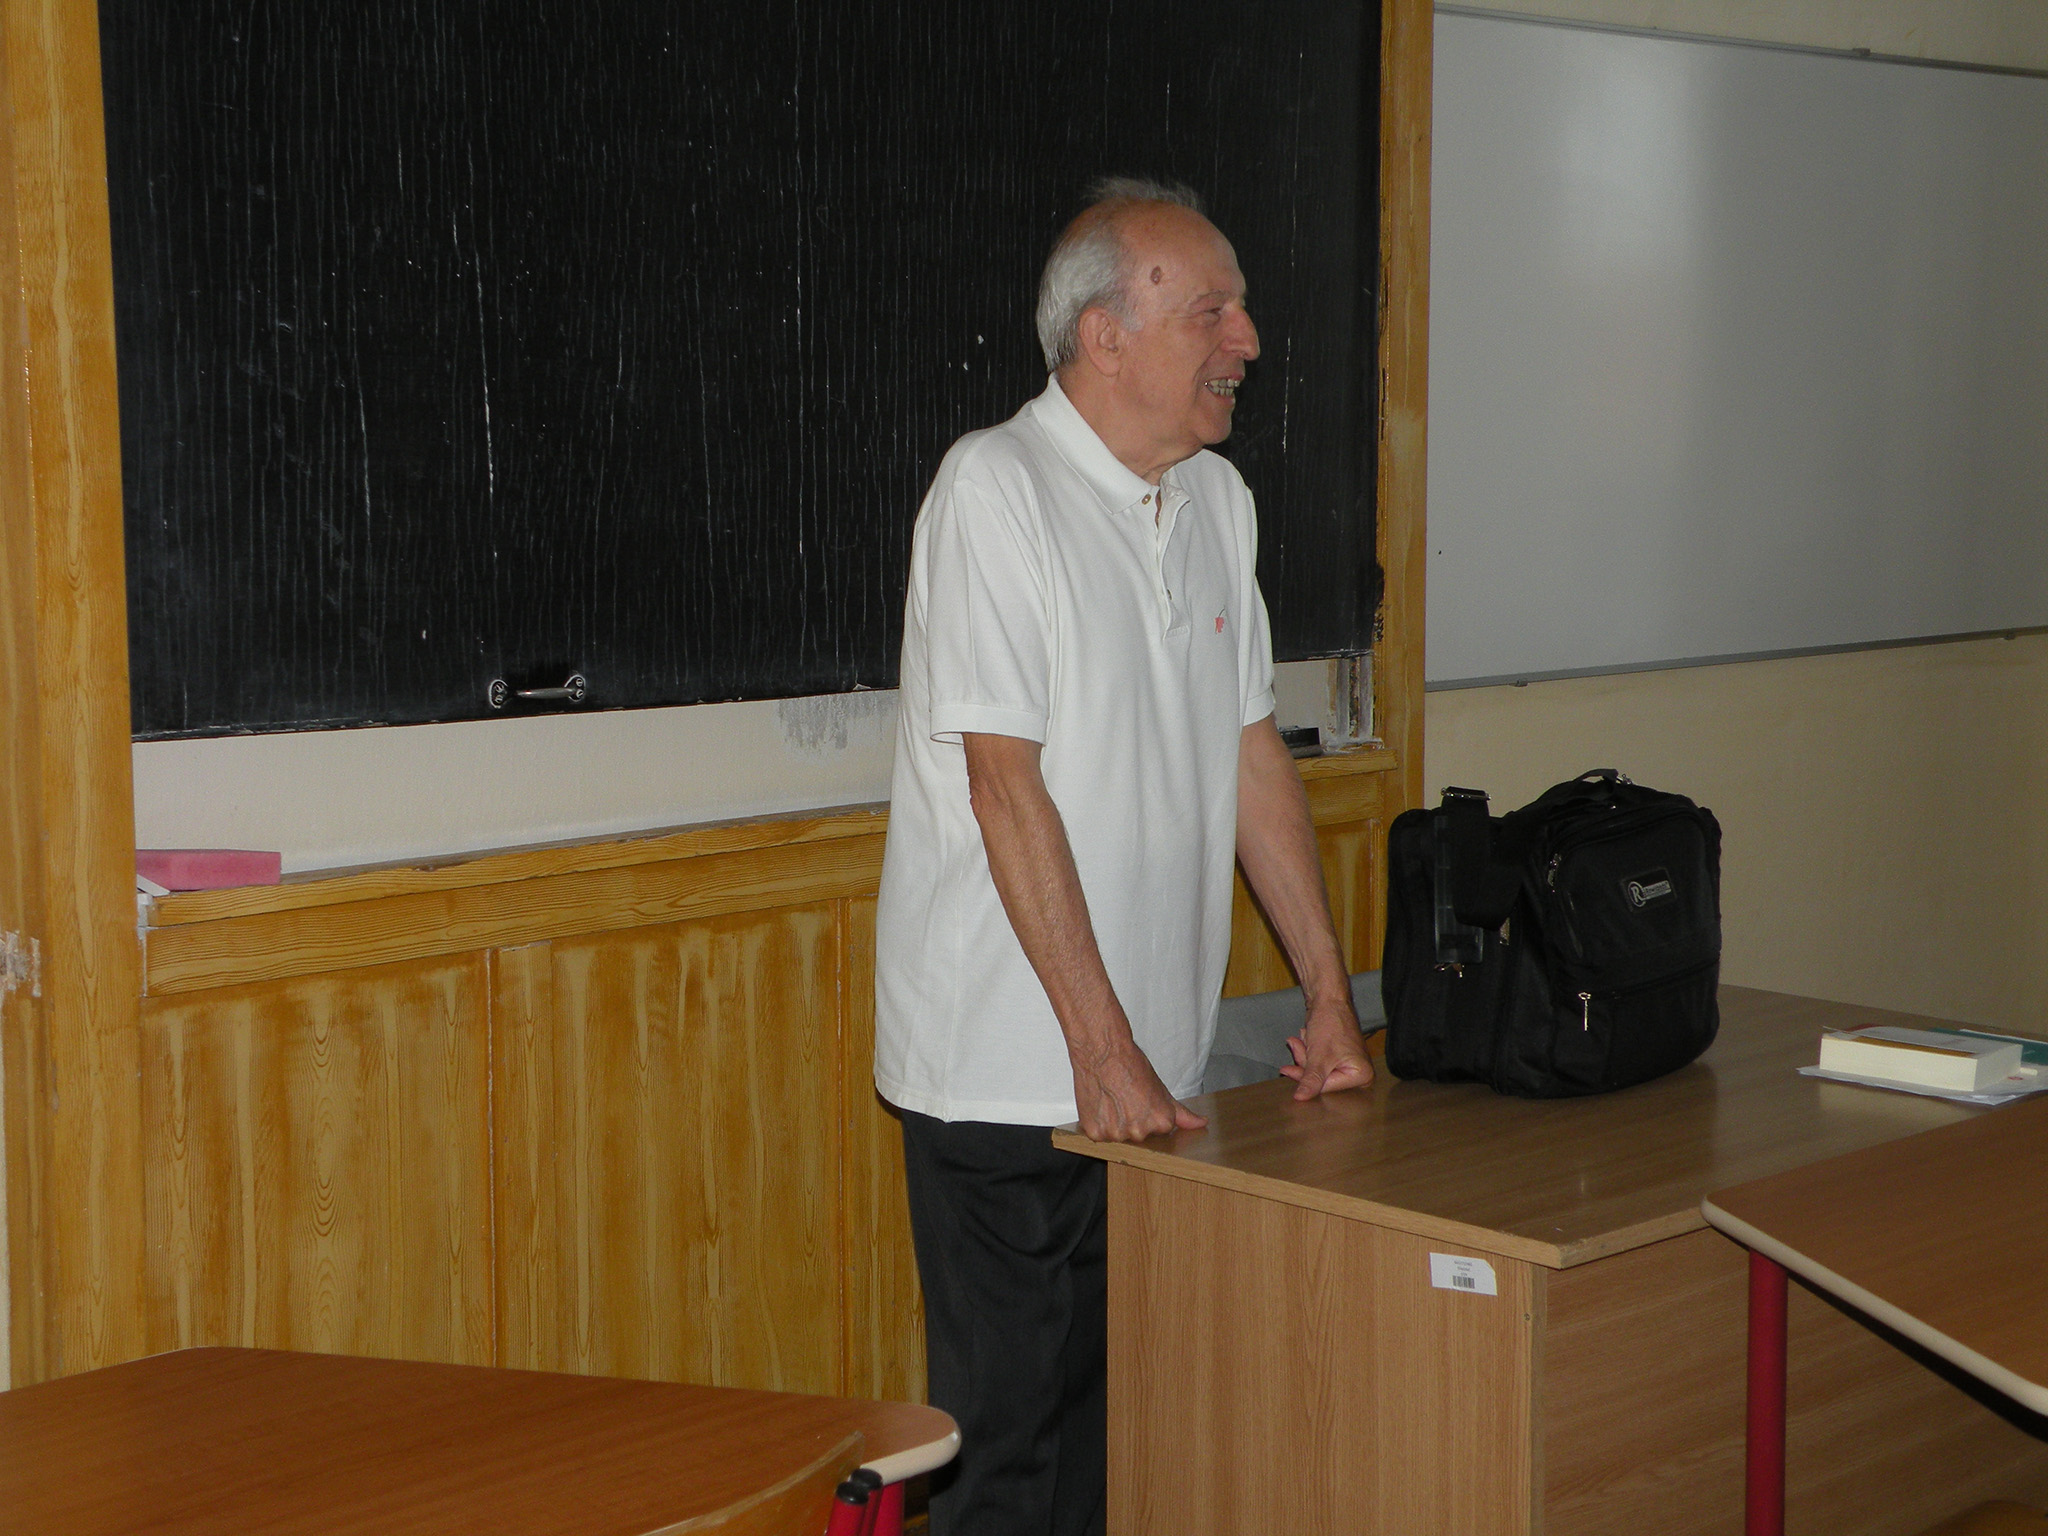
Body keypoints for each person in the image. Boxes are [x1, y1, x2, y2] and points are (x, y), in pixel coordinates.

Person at [873, 177, 1373, 1536]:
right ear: (1105, 334)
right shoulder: (996, 490)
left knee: (1112, 1453)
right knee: (1005, 1464)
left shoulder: (1218, 499)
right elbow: (1002, 784)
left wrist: (1329, 993)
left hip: (1157, 1074)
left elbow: (1252, 754)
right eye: (1213, 309)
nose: (1248, 340)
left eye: (1242, 309)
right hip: (1009, 1072)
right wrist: (1098, 1049)